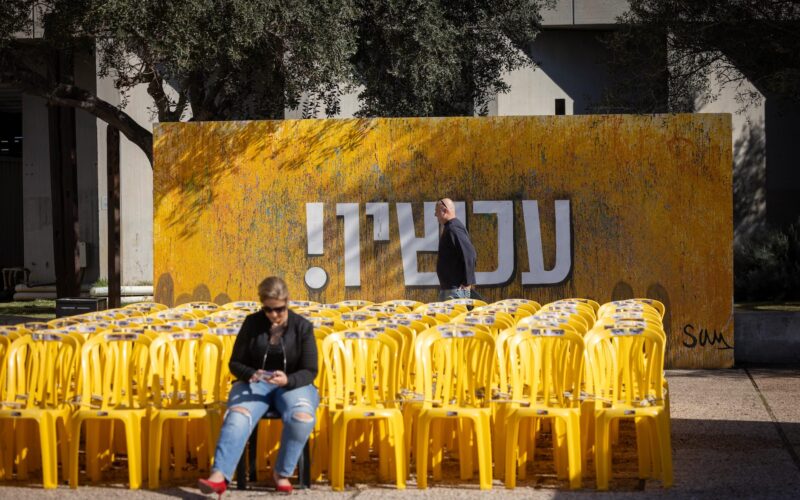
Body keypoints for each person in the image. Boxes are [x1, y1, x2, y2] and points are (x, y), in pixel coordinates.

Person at [198, 277, 319, 497]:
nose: (274, 315)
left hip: (293, 384)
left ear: (287, 302)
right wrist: (251, 373)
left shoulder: (302, 327)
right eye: (268, 309)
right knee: (237, 416)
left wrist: (287, 380)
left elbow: (310, 370)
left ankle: (281, 474)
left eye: (279, 309)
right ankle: (219, 476)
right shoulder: (252, 323)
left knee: (303, 418)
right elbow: (235, 362)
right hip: (255, 383)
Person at [435, 198, 479, 301]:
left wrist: (467, 283)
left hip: (456, 291)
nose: (435, 215)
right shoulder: (451, 227)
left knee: (454, 317)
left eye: (437, 212)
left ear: (445, 211)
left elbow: (470, 255)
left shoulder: (453, 228)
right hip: (452, 290)